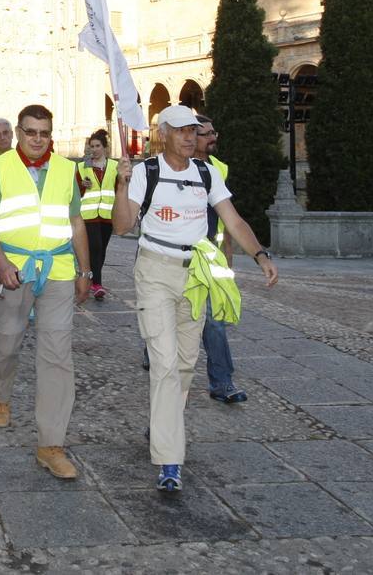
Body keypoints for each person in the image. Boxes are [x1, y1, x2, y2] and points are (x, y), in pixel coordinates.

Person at [112, 104, 278, 492]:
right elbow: (122, 226)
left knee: (185, 365)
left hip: (196, 276)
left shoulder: (206, 173)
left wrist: (260, 254)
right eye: (182, 131)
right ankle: (170, 460)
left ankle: (164, 421)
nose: (190, 136)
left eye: (194, 130)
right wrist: (120, 186)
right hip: (154, 272)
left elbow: (233, 219)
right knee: (166, 363)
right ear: (163, 135)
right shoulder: (145, 172)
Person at [0, 104, 92, 480]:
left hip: (58, 270)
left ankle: (51, 444)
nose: (37, 139)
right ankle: (0, 394)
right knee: (8, 342)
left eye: (44, 133)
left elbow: (76, 222)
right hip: (15, 269)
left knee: (58, 355)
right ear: (18, 132)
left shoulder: (66, 169)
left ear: (51, 134)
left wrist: (85, 270)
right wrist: (0, 263)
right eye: (30, 132)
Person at [194, 115, 247, 403]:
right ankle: (153, 350)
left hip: (212, 257)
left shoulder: (219, 168)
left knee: (215, 320)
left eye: (215, 132)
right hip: (181, 257)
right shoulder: (175, 168)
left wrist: (228, 257)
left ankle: (222, 382)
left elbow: (227, 216)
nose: (213, 138)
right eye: (206, 134)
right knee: (176, 320)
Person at [76, 129, 118, 302]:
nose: (94, 149)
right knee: (96, 247)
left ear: (105, 148)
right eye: (91, 146)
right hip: (88, 215)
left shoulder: (115, 166)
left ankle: (92, 278)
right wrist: (82, 185)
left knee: (101, 251)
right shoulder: (82, 166)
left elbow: (119, 189)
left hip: (108, 215)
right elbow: (75, 192)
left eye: (97, 146)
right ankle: (97, 285)